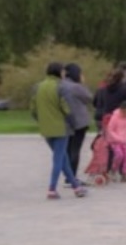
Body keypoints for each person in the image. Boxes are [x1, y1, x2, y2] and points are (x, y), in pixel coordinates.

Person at [31, 62, 87, 199]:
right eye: (63, 72)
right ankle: (52, 188)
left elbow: (33, 109)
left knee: (63, 158)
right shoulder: (61, 87)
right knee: (58, 159)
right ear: (59, 72)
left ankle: (76, 186)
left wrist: (41, 121)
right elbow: (66, 109)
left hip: (46, 128)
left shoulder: (37, 87)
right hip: (61, 128)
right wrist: (73, 123)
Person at [61, 63, 94, 177]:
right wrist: (82, 84)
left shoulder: (60, 85)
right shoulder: (76, 87)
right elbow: (89, 98)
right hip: (79, 121)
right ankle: (72, 176)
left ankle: (67, 175)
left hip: (65, 121)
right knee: (75, 149)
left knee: (68, 149)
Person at [104, 100, 126, 182]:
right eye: (125, 112)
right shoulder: (115, 117)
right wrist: (118, 138)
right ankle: (113, 170)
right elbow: (110, 129)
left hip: (124, 140)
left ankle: (125, 174)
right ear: (121, 110)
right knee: (119, 154)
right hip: (114, 141)